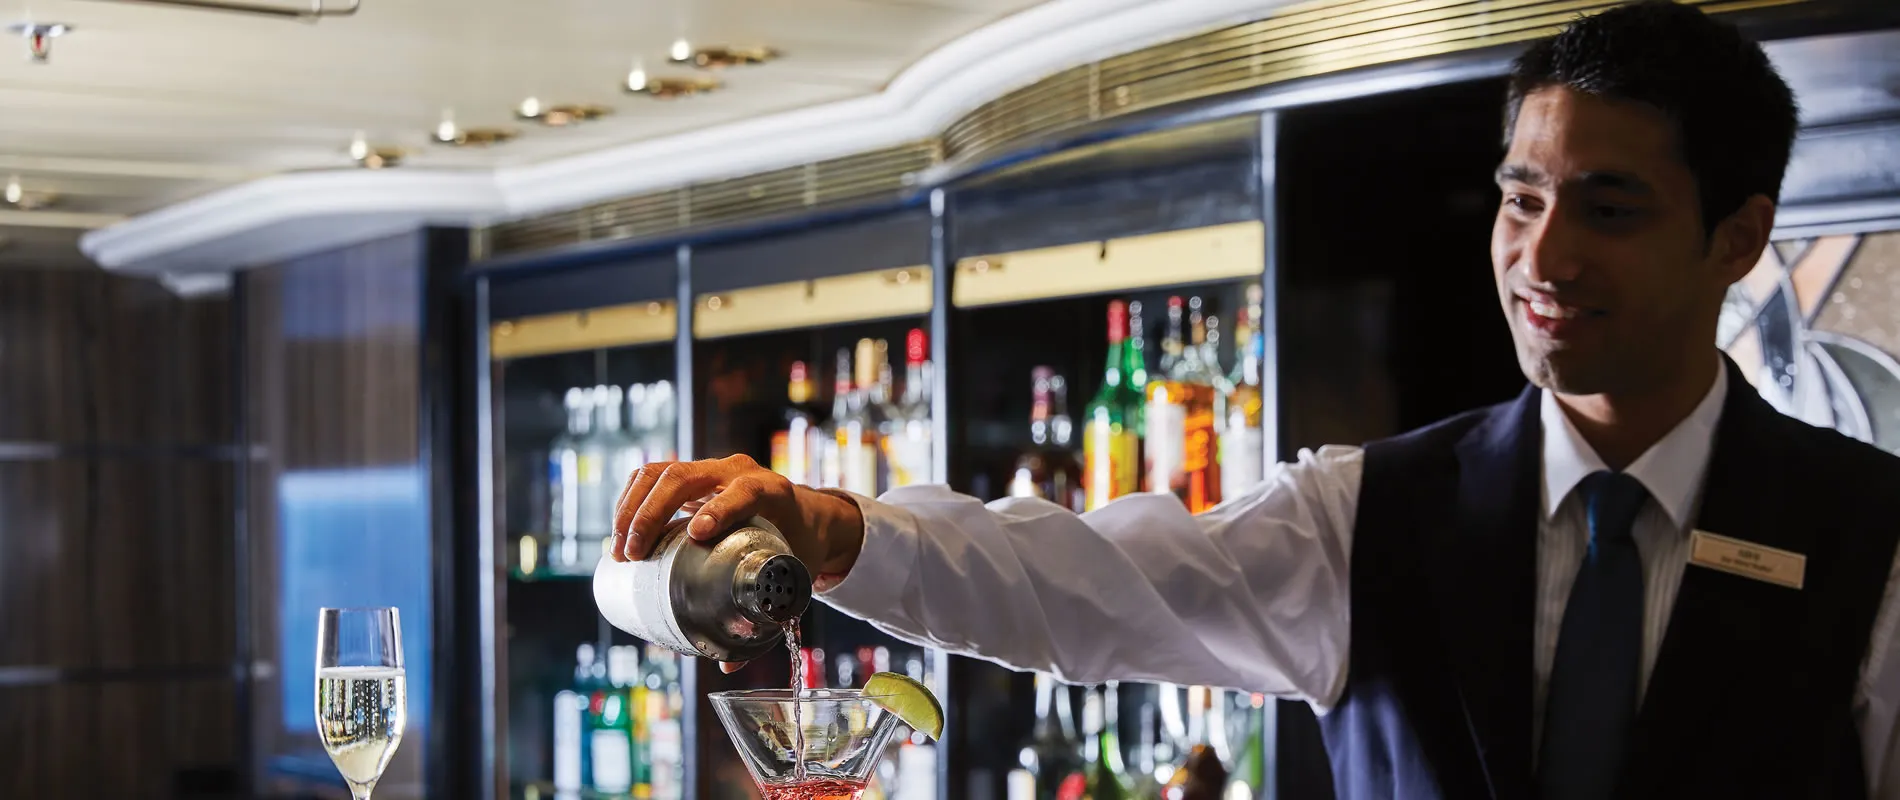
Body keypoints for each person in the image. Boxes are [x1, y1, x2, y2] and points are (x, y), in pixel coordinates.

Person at [608, 3, 1900, 798]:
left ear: (1739, 238)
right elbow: (1081, 585)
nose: (1544, 258)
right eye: (1520, 198)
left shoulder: (1874, 540)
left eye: (1608, 209)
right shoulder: (1372, 514)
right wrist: (835, 531)